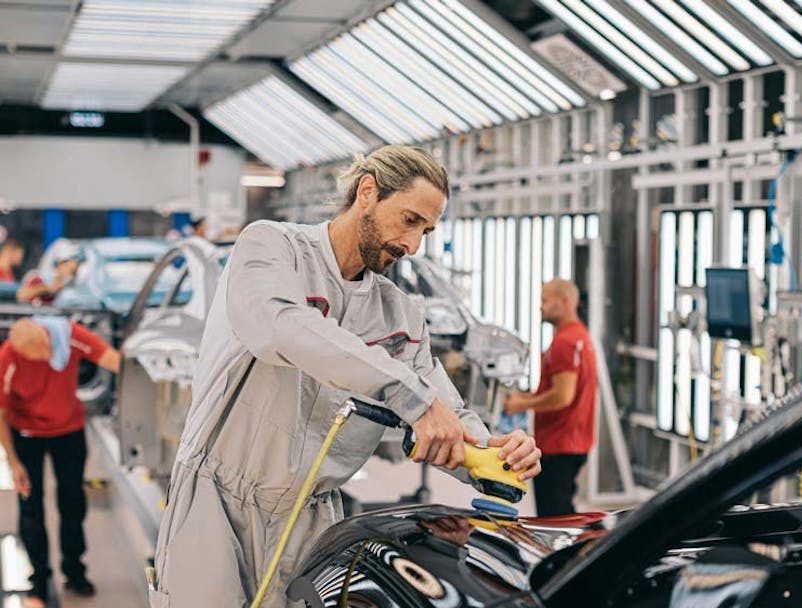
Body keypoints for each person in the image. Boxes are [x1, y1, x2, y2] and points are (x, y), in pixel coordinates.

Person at [151, 145, 542, 607]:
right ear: (367, 192)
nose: (413, 246)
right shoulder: (271, 247)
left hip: (311, 519)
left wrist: (495, 455)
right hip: (217, 501)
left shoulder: (399, 315)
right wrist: (411, 397)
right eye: (410, 220)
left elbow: (446, 413)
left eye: (427, 231)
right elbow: (279, 328)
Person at [0, 317, 121, 607]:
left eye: (44, 352)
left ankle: (74, 570)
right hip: (26, 435)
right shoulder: (9, 356)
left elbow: (115, 361)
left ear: (48, 338)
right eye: (33, 357)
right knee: (31, 507)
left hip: (69, 432)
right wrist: (13, 462)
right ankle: (38, 579)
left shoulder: (70, 336)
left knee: (72, 502)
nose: (43, 359)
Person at [503, 279, 597, 517]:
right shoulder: (578, 336)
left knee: (554, 520)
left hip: (559, 443)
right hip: (571, 441)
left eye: (545, 300)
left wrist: (521, 404)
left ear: (564, 302)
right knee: (563, 511)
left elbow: (562, 396)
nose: (541, 307)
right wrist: (526, 396)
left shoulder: (565, 342)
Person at [17, 242, 81, 305]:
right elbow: (21, 296)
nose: (75, 267)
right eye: (69, 263)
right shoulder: (38, 277)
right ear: (60, 264)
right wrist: (49, 288)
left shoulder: (73, 283)